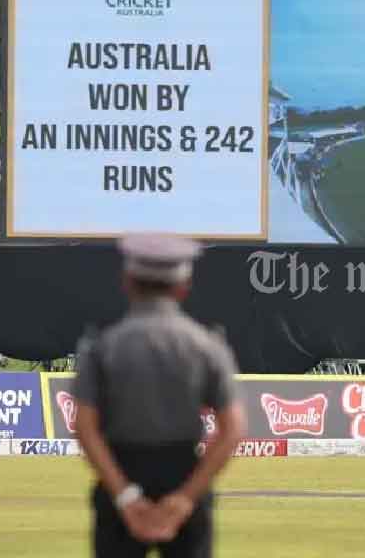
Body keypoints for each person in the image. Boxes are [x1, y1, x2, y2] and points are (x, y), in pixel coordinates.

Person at [73, 234, 246, 557]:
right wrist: (185, 498)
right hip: (185, 473)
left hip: (120, 473)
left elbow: (84, 427)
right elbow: (232, 429)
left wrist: (124, 495)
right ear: (183, 287)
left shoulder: (102, 347)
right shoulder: (207, 346)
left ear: (127, 282)